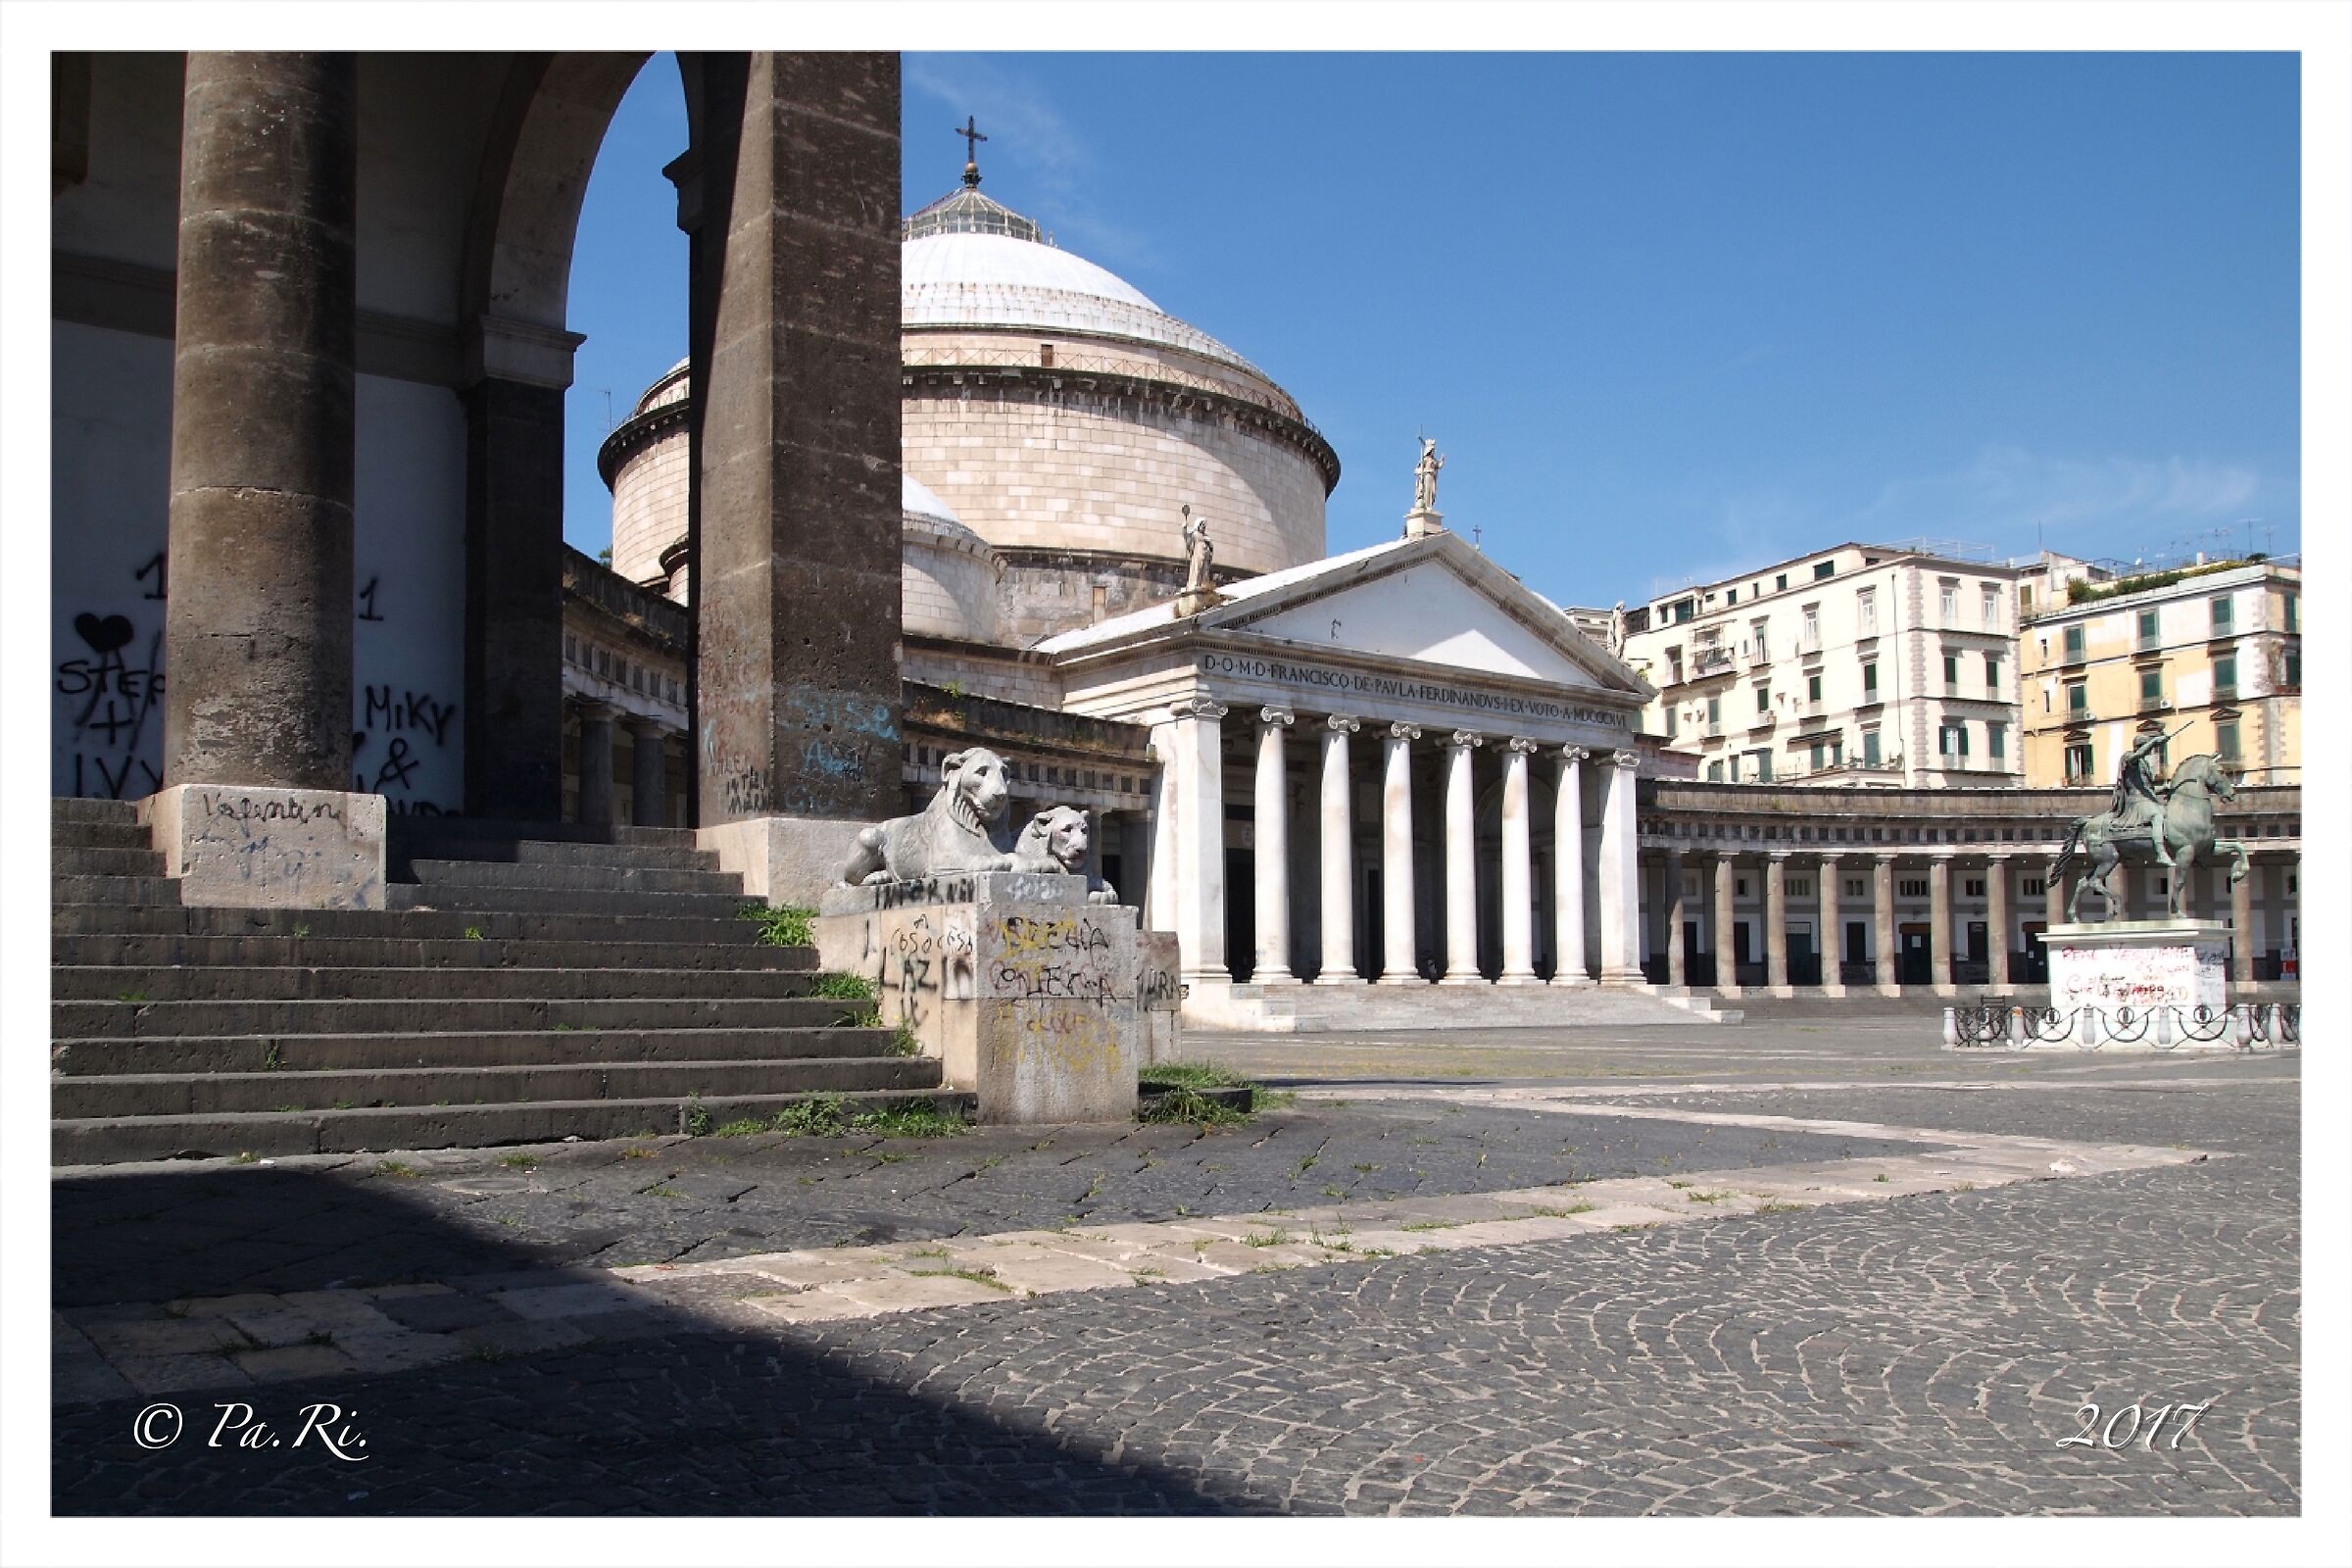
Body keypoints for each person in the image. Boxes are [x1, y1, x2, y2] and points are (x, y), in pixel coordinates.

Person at [2108, 729, 2174, 867]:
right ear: (2140, 745)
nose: (2149, 751)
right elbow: (2138, 755)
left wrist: (2164, 788)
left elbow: (2148, 788)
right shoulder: (2129, 757)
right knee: (2157, 815)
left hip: (2146, 799)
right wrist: (2155, 741)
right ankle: (2161, 853)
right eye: (2146, 745)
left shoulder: (2144, 763)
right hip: (2136, 801)